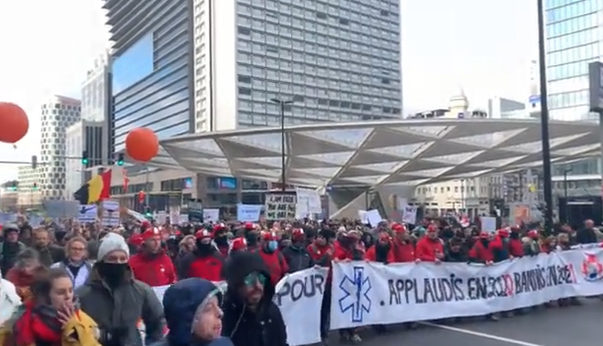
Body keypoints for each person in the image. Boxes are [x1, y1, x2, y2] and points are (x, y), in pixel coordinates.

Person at [76, 233, 165, 346]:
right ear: (101, 261)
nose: (118, 263)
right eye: (112, 258)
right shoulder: (84, 294)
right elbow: (75, 328)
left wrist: (153, 343)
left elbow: (157, 321)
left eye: (122, 259)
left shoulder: (140, 290)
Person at [0, 267, 102, 346]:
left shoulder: (83, 320)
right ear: (44, 296)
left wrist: (74, 331)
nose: (68, 296)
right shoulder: (21, 320)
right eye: (60, 292)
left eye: (71, 290)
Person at [222, 251, 287, 346]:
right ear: (236, 284)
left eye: (261, 279)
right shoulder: (225, 318)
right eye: (250, 280)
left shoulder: (271, 310)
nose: (258, 286)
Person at [150, 278, 234, 346]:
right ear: (185, 318)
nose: (220, 313)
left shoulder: (224, 344)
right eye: (208, 309)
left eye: (218, 305)